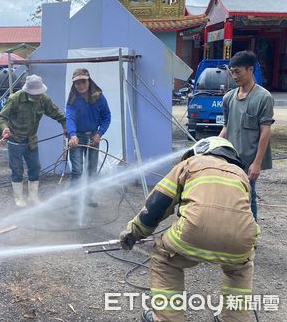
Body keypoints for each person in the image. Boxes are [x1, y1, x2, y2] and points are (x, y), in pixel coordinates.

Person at [119, 137, 258, 322]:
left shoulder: (191, 163)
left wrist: (135, 232)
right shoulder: (240, 174)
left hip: (194, 232)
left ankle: (168, 317)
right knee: (240, 267)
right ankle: (234, 318)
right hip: (241, 239)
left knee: (164, 256)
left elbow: (158, 204)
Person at [219, 51, 274, 221]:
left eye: (238, 72)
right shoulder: (228, 98)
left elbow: (265, 131)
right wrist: (213, 146)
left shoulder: (263, 97)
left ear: (250, 69)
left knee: (248, 195)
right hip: (229, 158)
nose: (234, 76)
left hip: (249, 160)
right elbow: (227, 127)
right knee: (226, 195)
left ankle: (251, 235)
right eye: (232, 72)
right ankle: (232, 231)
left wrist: (257, 163)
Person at [0, 74, 66, 207]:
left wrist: (65, 126)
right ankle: (19, 198)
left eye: (39, 93)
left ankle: (33, 198)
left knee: (35, 167)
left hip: (31, 141)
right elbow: (1, 117)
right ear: (28, 91)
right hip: (15, 140)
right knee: (17, 169)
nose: (38, 96)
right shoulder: (15, 99)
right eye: (35, 94)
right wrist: (5, 128)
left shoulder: (43, 99)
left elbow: (57, 113)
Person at [65, 68, 111, 208]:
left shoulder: (99, 97)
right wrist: (72, 135)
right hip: (77, 138)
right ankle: (74, 202)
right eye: (77, 83)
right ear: (74, 84)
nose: (81, 85)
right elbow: (70, 117)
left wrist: (99, 134)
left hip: (93, 138)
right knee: (77, 170)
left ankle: (87, 198)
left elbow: (106, 117)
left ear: (89, 81)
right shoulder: (73, 99)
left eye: (83, 81)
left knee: (91, 170)